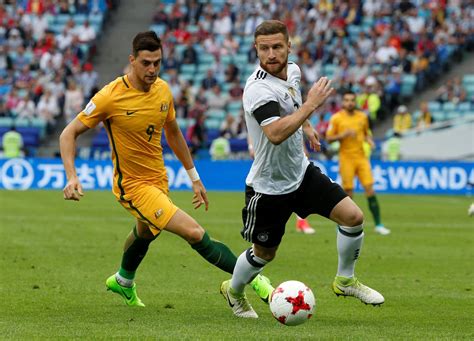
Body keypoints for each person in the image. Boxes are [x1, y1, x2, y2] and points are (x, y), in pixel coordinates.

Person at [59, 31, 272, 308]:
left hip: (158, 179)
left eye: (157, 63)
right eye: (146, 63)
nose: (152, 69)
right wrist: (72, 176)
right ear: (132, 60)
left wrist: (194, 177)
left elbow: (173, 133)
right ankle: (253, 279)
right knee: (194, 233)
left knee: (147, 231)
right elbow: (68, 133)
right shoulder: (109, 97)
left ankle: (123, 281)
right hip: (133, 186)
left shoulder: (162, 90)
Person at [220, 21, 384, 319]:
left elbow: (292, 101)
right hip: (269, 187)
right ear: (255, 49)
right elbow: (275, 133)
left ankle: (345, 280)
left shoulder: (293, 71)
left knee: (353, 217)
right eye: (264, 48)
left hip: (302, 174)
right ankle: (234, 292)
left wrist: (307, 126)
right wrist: (310, 108)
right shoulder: (257, 89)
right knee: (263, 254)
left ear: (288, 47)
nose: (271, 54)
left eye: (277, 47)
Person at [326, 91, 391, 236]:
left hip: (361, 158)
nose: (349, 103)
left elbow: (366, 133)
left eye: (352, 100)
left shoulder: (362, 117)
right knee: (348, 193)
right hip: (346, 158)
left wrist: (369, 140)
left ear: (355, 102)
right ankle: (345, 224)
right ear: (343, 102)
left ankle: (379, 224)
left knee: (370, 189)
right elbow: (328, 138)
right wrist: (342, 136)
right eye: (347, 100)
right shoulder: (336, 118)